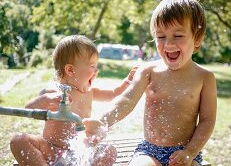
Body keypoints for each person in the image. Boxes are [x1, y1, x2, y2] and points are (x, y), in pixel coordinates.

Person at [83, 0, 217, 166]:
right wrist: (102, 122)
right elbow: (125, 101)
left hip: (184, 152)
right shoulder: (148, 71)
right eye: (160, 36)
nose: (168, 43)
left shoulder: (204, 77)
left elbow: (207, 120)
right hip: (149, 150)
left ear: (197, 38)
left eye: (178, 35)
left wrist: (190, 152)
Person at [10, 35, 138, 166]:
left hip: (79, 153)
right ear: (70, 70)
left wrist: (127, 83)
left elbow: (113, 94)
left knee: (109, 151)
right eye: (92, 66)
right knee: (19, 140)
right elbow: (28, 109)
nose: (96, 70)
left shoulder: (89, 91)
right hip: (51, 150)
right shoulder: (54, 92)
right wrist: (46, 99)